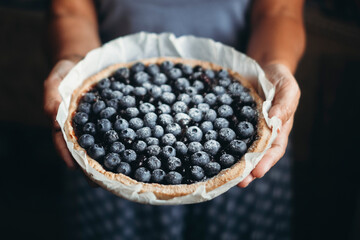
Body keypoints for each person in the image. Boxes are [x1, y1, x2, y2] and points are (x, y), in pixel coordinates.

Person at [44, 0, 305, 239]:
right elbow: (70, 10)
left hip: (247, 168)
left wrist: (272, 68)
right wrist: (77, 65)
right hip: (110, 183)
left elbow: (280, 11)